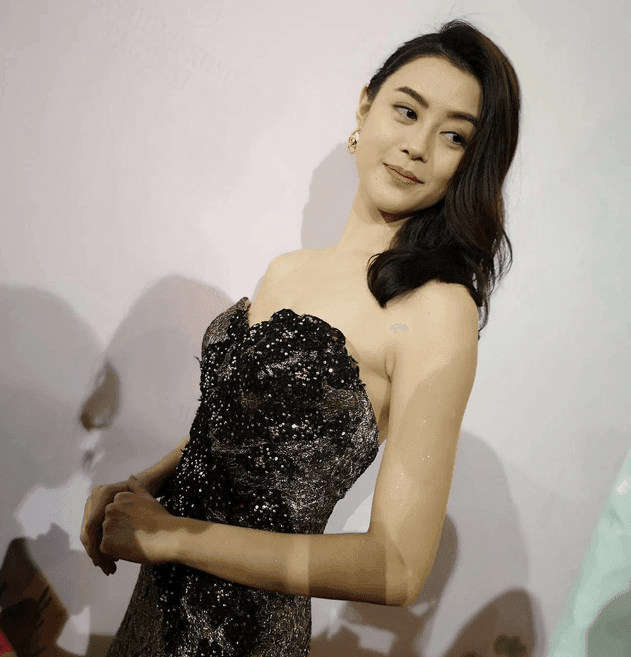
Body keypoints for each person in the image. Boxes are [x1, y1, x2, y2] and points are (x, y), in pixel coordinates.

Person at [81, 18, 520, 657]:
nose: (418, 146)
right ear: (365, 109)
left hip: (247, 635)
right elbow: (234, 431)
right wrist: (140, 487)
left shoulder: (436, 308)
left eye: (454, 136)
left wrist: (173, 537)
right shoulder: (286, 270)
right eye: (406, 111)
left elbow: (397, 568)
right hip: (155, 609)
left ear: (470, 164)